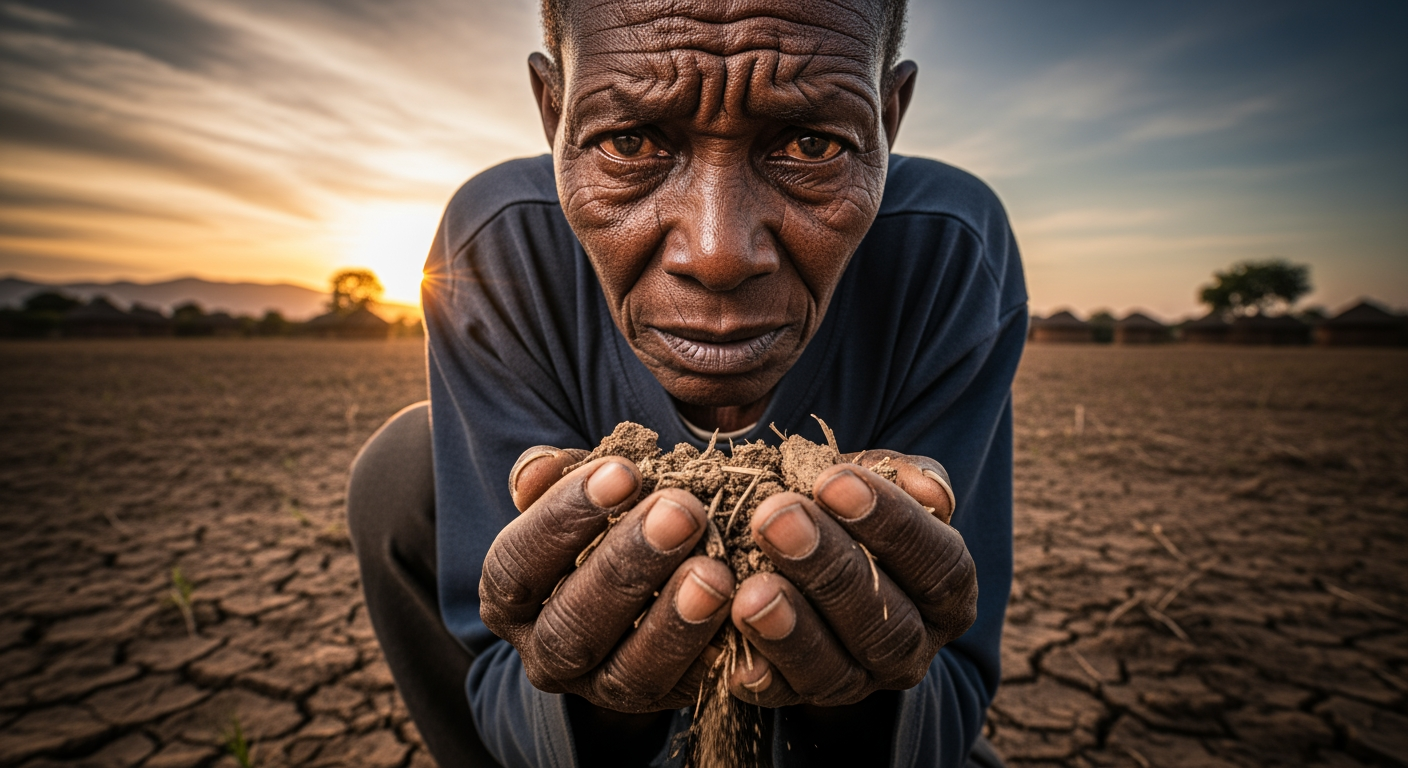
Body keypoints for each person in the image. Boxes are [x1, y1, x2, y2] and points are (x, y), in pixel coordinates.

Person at [348, 0, 1026, 765]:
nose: (717, 252)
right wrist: (597, 704)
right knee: (402, 470)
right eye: (629, 141)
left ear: (888, 119)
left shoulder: (948, 251)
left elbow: (949, 691)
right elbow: (503, 677)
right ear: (553, 111)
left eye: (811, 143)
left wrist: (860, 697)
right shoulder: (500, 248)